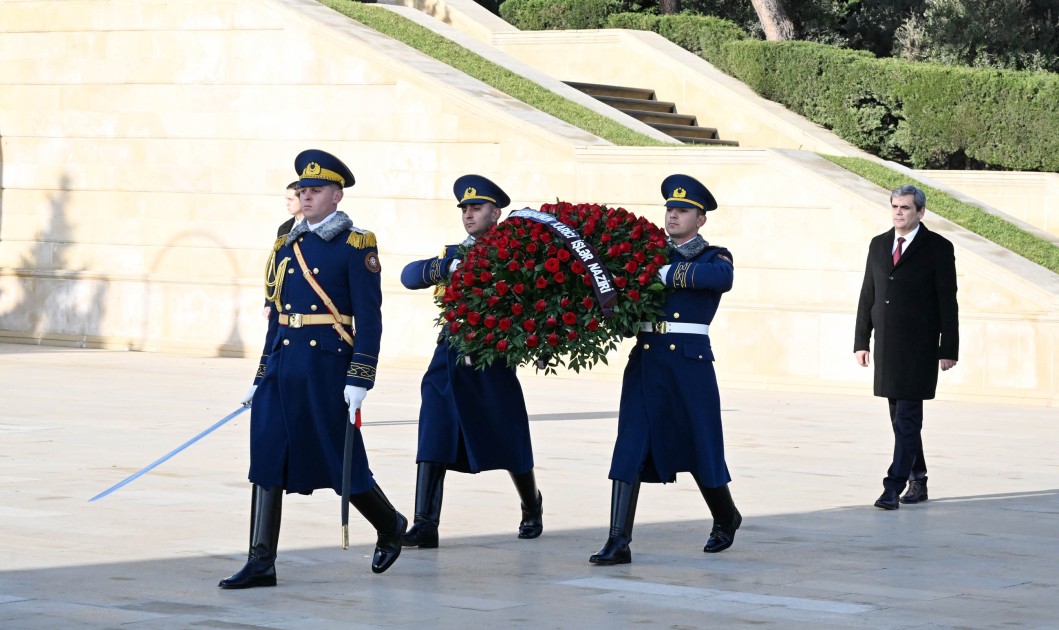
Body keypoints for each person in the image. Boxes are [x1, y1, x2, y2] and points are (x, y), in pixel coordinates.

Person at [219, 149, 406, 589]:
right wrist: (260, 375)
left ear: (336, 196)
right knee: (266, 456)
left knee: (340, 460)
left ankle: (390, 525)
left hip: (326, 368)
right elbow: (279, 316)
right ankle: (261, 562)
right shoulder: (288, 242)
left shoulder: (356, 245)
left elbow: (370, 317)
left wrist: (360, 376)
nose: (306, 196)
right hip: (284, 366)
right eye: (302, 190)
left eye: (316, 190)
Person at [591, 174, 741, 566]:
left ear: (700, 219)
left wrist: (666, 274)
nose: (673, 216)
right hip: (647, 362)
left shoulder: (714, 256)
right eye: (670, 210)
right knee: (630, 447)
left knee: (700, 447)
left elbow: (720, 279)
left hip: (689, 366)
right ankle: (618, 540)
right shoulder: (645, 255)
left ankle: (726, 516)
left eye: (683, 211)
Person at [398, 174, 543, 549]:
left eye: (476, 207)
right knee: (434, 431)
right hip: (448, 354)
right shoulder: (454, 254)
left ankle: (531, 504)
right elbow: (409, 276)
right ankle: (425, 523)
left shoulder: (513, 254)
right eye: (464, 208)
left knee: (508, 434)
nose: (468, 214)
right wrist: (447, 268)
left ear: (496, 213)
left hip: (490, 356)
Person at [855, 184, 959, 510]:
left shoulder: (938, 248)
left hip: (919, 349)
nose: (899, 213)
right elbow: (867, 295)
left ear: (920, 212)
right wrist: (861, 341)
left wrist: (948, 348)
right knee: (899, 420)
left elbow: (948, 302)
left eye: (905, 208)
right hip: (886, 346)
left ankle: (893, 486)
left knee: (908, 419)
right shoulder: (879, 244)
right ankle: (919, 477)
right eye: (895, 207)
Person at [263, 181, 305, 319]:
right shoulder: (284, 228)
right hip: (280, 300)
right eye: (286, 199)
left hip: (302, 301)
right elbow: (276, 266)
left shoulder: (315, 227)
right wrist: (268, 302)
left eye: (291, 199)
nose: (287, 203)